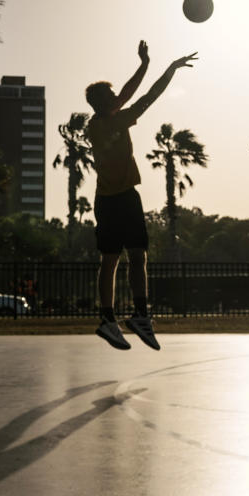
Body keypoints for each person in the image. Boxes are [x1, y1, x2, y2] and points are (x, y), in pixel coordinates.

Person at [85, 41, 197, 350]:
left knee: (118, 259)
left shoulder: (95, 123)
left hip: (108, 200)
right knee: (130, 257)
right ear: (106, 103)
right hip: (119, 200)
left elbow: (126, 92)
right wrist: (168, 69)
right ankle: (131, 316)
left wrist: (145, 64)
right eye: (112, 97)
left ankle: (118, 318)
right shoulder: (114, 121)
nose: (118, 98)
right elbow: (148, 96)